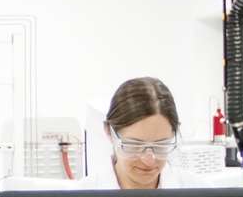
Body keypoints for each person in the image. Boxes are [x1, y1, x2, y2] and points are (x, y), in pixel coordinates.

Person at [84, 76, 217, 190]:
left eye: (161, 145)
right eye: (135, 145)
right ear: (109, 132)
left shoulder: (199, 192)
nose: (149, 160)